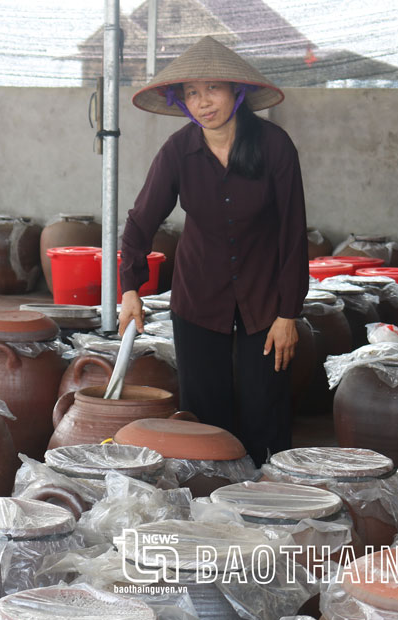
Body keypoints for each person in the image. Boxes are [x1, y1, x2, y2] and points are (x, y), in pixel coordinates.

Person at [118, 36, 309, 466]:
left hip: (265, 297)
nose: (203, 102)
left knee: (266, 408)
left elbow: (293, 234)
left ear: (236, 92)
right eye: (191, 93)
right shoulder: (177, 152)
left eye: (213, 89)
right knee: (206, 414)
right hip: (199, 294)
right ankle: (212, 501)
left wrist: (288, 313)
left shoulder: (274, 146)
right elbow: (140, 221)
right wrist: (130, 288)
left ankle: (269, 502)